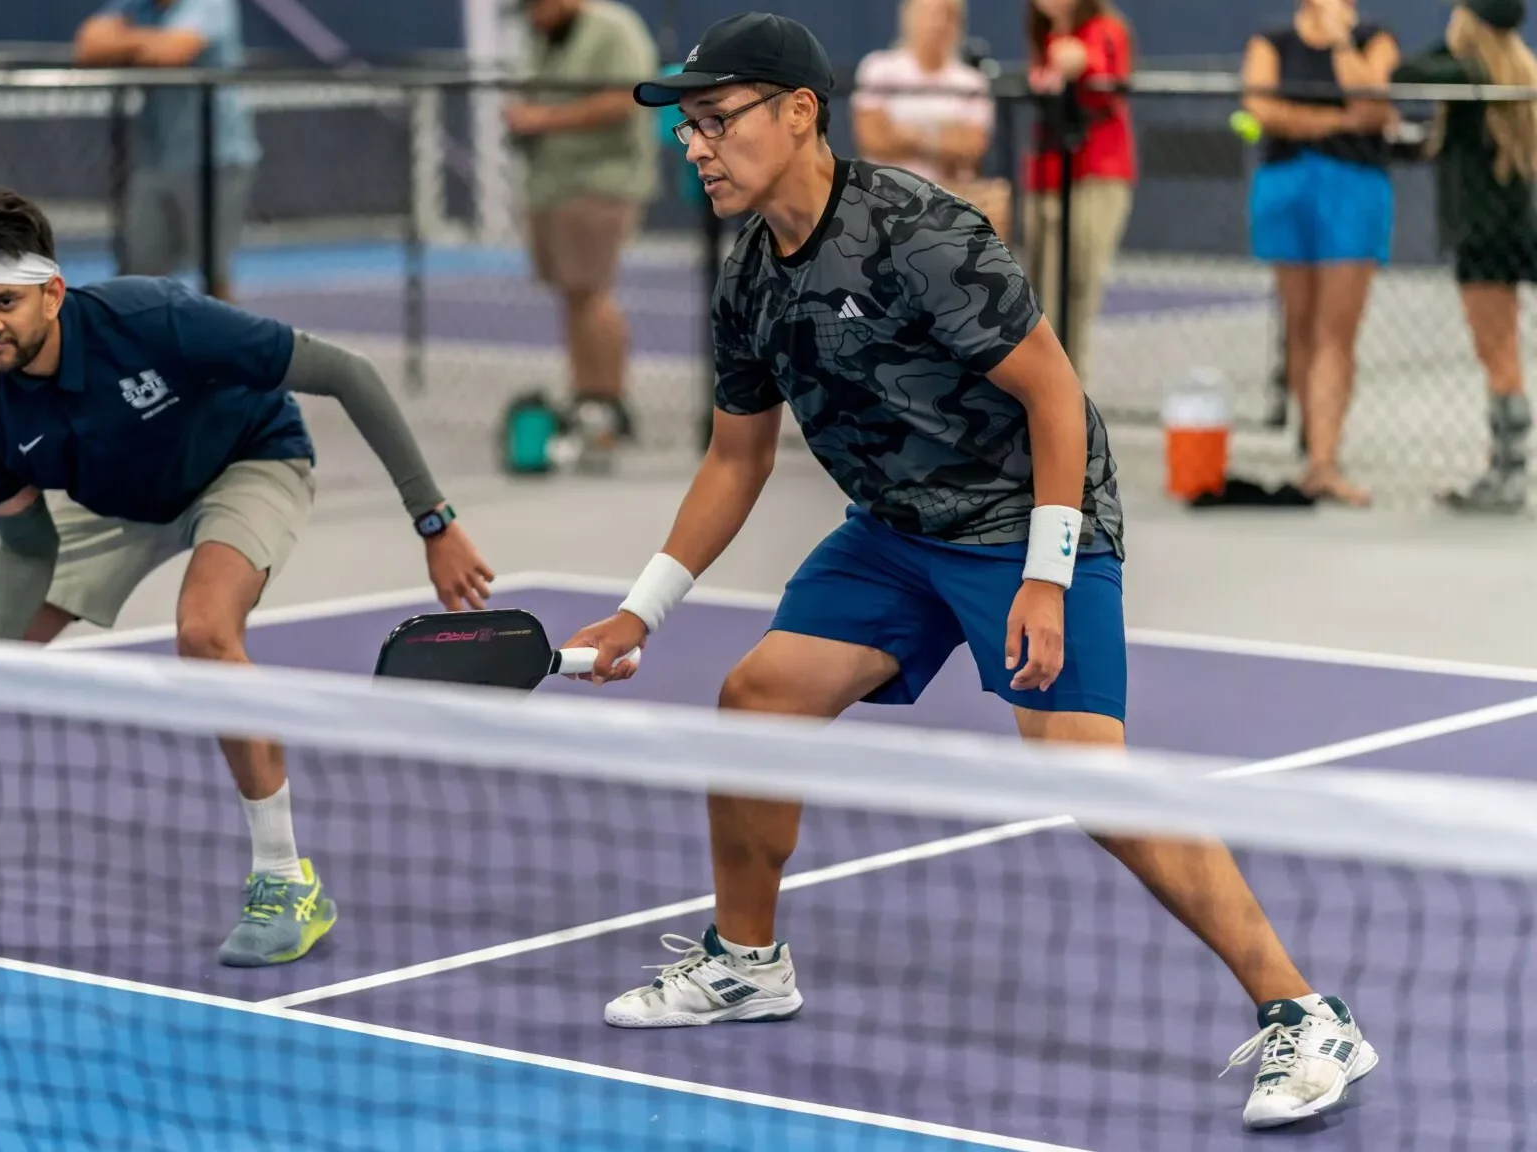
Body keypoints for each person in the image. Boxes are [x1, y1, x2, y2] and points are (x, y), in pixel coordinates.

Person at [570, 12, 1378, 1131]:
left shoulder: (916, 232)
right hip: (895, 531)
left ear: (798, 113)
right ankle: (746, 961)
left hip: (1024, 518)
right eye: (689, 131)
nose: (695, 148)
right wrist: (637, 610)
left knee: (1088, 779)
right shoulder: (749, 274)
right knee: (755, 699)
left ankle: (1303, 1012)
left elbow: (1052, 393)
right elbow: (735, 456)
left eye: (715, 122)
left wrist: (1045, 573)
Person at [0, 189, 496, 971]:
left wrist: (434, 521)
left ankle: (287, 879)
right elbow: (28, 550)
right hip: (115, 501)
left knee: (206, 631)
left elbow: (348, 373)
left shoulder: (156, 321)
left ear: (52, 291)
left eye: (3, 303)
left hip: (246, 461)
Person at [1241, 0, 1399, 507]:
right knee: (1300, 325)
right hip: (1286, 187)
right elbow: (1261, 109)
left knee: (1335, 330)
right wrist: (1335, 121)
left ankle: (1325, 462)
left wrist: (1339, 42)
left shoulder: (1374, 40)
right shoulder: (1271, 42)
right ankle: (1315, 450)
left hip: (1354, 190)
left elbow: (1373, 107)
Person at [1393, 0, 1537, 514]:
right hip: (1506, 227)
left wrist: (1457, 39)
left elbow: (1403, 71)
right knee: (1502, 352)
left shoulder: (1472, 73)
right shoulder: (1510, 71)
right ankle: (1504, 468)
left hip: (1484, 234)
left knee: (1497, 354)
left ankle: (1509, 473)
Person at [503, 0, 660, 465]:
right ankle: (586, 396)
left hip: (600, 184)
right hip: (549, 185)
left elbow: (628, 97)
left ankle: (610, 402)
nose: (533, 17)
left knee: (592, 293)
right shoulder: (543, 39)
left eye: (538, 7)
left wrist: (544, 120)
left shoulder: (615, 30)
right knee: (573, 295)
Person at [73, 0, 257, 301]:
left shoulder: (210, 5)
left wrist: (126, 40)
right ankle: (144, 346)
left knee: (213, 272)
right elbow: (88, 45)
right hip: (153, 159)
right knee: (137, 272)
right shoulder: (135, 5)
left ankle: (224, 347)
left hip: (215, 158)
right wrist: (147, 42)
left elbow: (171, 53)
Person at [1020, 0, 1135, 393]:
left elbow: (1110, 85)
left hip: (1096, 176)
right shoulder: (1044, 37)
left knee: (1078, 286)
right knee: (1042, 294)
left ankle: (1067, 392)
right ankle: (1044, 390)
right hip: (1046, 178)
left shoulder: (1105, 30)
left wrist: (1083, 63)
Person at [853, 0, 1009, 240]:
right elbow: (873, 139)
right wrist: (945, 137)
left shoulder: (971, 82)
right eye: (928, 14)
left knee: (996, 197)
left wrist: (910, 135)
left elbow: (972, 147)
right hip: (886, 195)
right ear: (909, 17)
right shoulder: (879, 69)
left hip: (952, 195)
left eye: (946, 15)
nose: (937, 23)